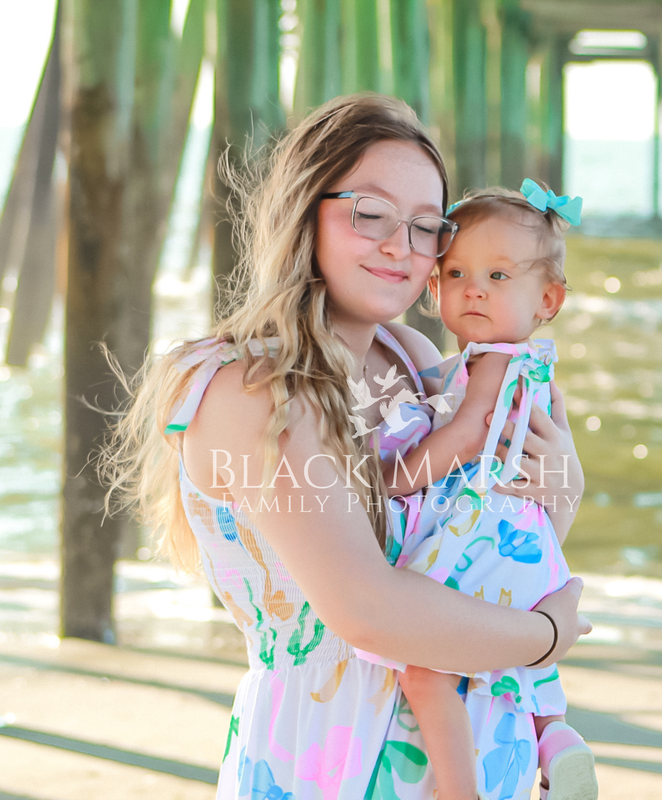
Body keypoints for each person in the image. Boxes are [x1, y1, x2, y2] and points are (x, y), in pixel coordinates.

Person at [102, 94, 590, 799]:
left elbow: (486, 534)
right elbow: (368, 609)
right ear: (306, 210)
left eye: (427, 227)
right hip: (333, 754)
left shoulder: (411, 355)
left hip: (477, 737)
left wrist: (562, 487)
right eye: (370, 214)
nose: (402, 245)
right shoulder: (254, 387)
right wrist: (544, 639)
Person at [354, 182, 598, 800]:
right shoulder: (529, 364)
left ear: (549, 298)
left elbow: (466, 437)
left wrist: (387, 482)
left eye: (497, 274)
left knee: (424, 667)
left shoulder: (493, 361)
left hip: (484, 536)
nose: (475, 288)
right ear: (433, 290)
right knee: (510, 659)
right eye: (457, 272)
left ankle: (458, 788)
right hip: (526, 544)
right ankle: (555, 735)